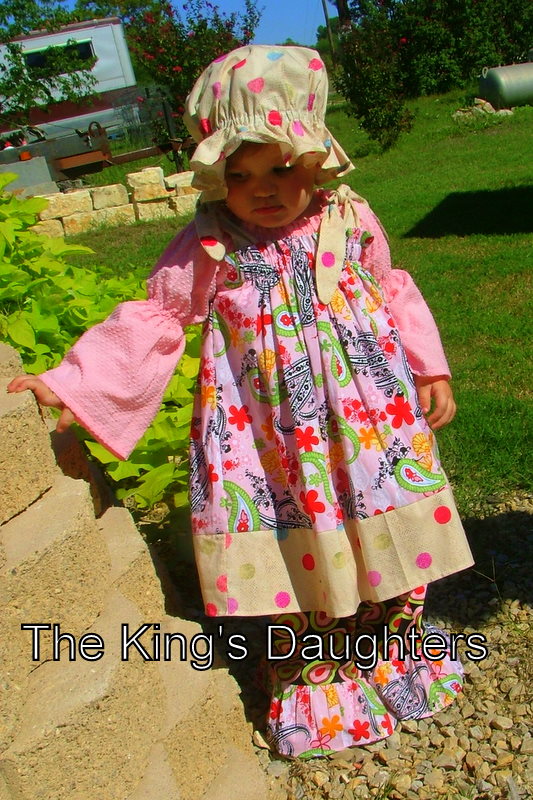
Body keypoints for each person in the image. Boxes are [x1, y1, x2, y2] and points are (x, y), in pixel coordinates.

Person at [8, 45, 474, 759]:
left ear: (315, 159)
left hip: (368, 428)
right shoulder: (209, 244)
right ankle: (319, 683)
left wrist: (428, 369)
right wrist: (77, 382)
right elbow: (157, 321)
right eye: (239, 175)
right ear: (214, 177)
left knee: (385, 536)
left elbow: (390, 288)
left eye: (280, 168)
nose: (262, 189)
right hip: (275, 441)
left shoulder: (350, 218)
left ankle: (394, 657)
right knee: (304, 553)